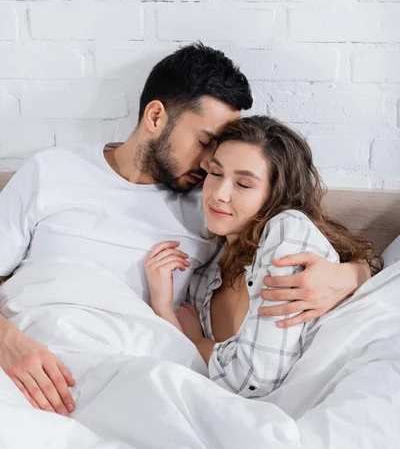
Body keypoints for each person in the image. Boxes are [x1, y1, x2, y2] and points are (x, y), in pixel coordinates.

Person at [0, 44, 370, 415]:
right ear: (156, 117)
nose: (211, 163)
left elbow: (310, 240)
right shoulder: (50, 172)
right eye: (206, 142)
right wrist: (9, 342)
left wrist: (351, 274)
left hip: (132, 374)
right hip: (29, 353)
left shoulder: (213, 205)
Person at [145, 116, 381, 397]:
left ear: (277, 196)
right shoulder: (205, 274)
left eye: (243, 184)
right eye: (216, 174)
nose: (218, 194)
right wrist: (164, 309)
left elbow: (253, 380)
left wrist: (189, 335)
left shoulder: (288, 229)